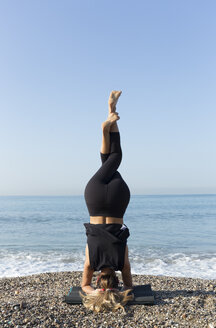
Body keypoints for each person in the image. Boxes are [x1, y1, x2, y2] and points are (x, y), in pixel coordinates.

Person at [81, 91, 133, 313]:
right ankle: (110, 113)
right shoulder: (91, 262)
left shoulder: (121, 261)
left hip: (118, 200)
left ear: (116, 282)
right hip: (93, 197)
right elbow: (83, 286)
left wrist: (119, 293)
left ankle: (108, 121)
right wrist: (95, 292)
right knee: (109, 160)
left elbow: (130, 286)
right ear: (99, 281)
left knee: (115, 158)